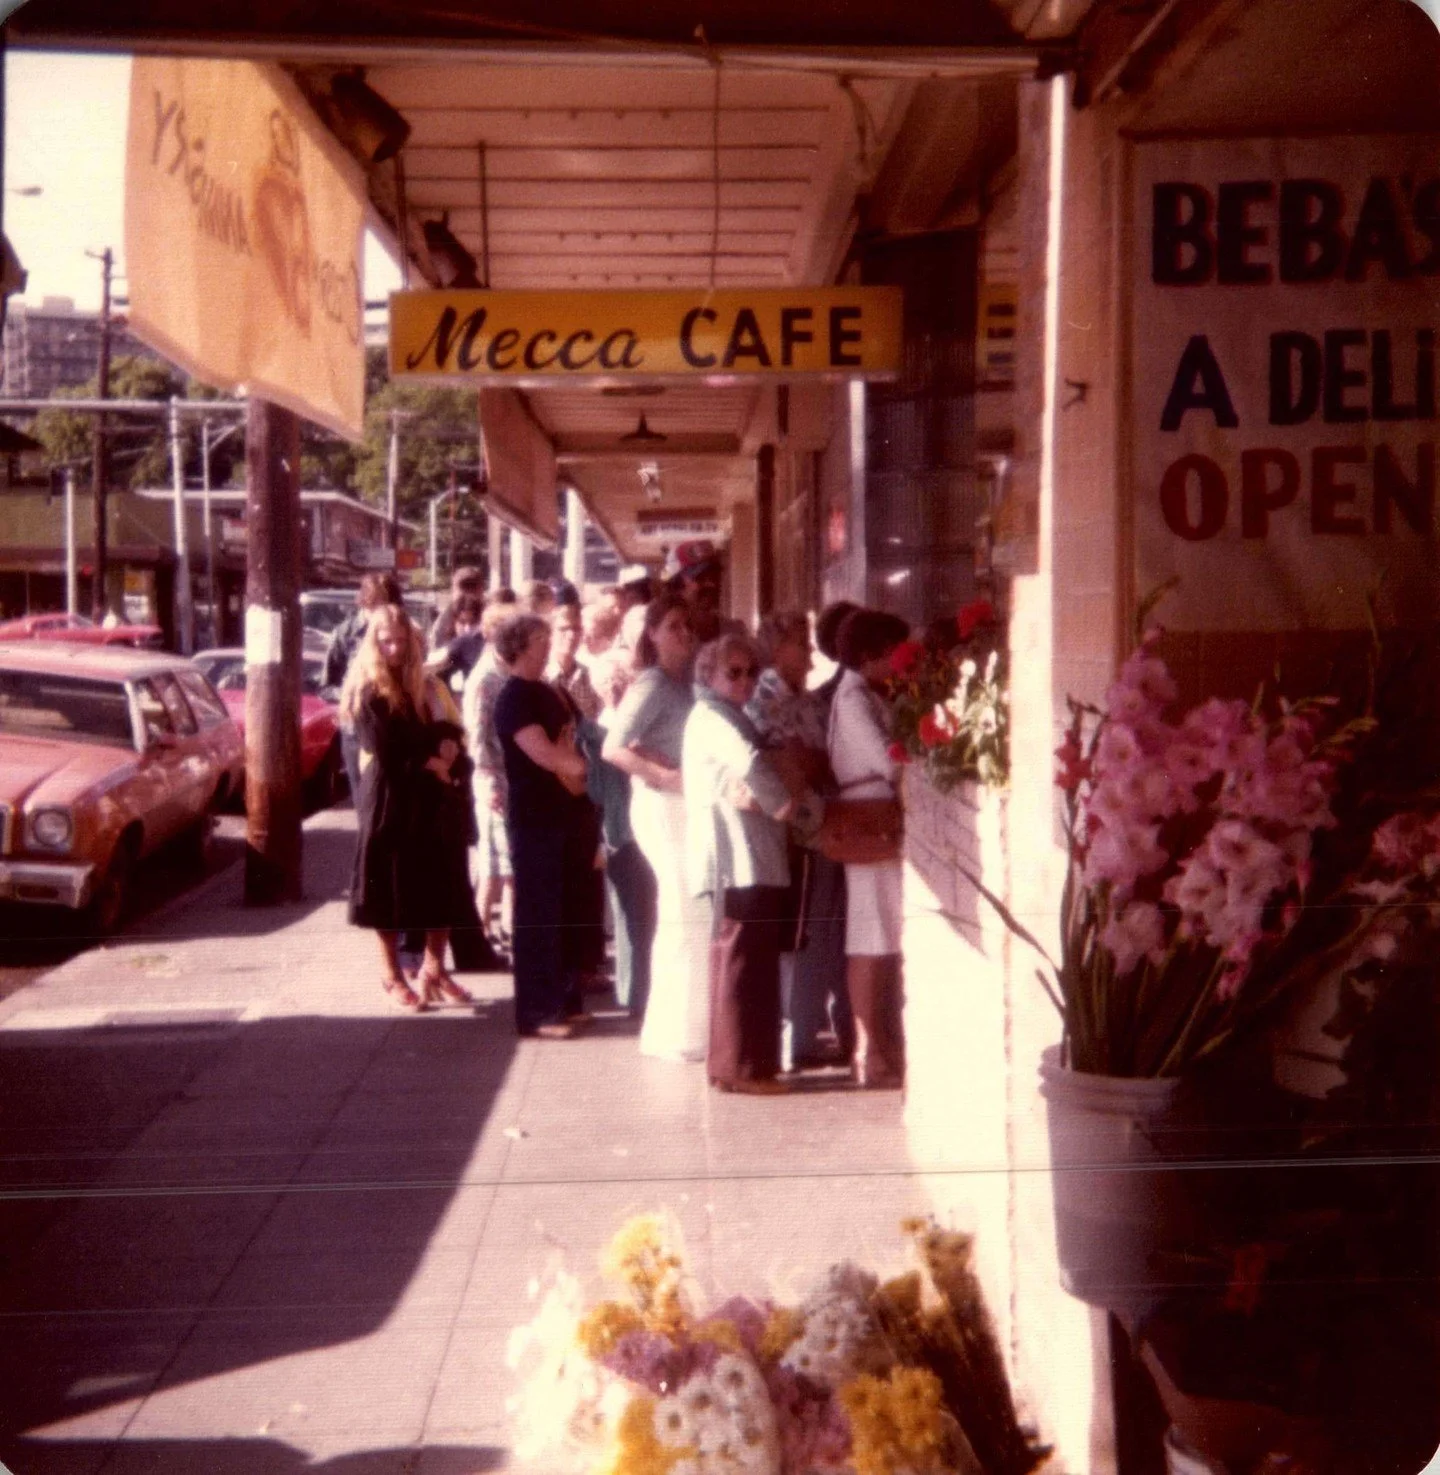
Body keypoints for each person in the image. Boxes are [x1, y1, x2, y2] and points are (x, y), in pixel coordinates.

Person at [685, 632, 821, 1095]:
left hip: (750, 856)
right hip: (737, 859)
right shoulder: (714, 718)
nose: (744, 681)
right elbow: (748, 765)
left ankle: (736, 1066)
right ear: (710, 676)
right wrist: (787, 806)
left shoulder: (727, 714)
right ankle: (744, 1068)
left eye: (750, 672)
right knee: (745, 962)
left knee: (743, 960)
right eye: (733, 672)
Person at [342, 603, 477, 1012]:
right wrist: (432, 760)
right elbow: (384, 747)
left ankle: (434, 967)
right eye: (386, 640)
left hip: (429, 797)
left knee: (444, 882)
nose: (395, 648)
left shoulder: (424, 683)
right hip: (390, 798)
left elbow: (445, 726)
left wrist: (448, 745)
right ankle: (392, 975)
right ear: (373, 643)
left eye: (402, 640)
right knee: (388, 891)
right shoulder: (367, 689)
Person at [601, 594, 708, 1062]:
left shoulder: (685, 683)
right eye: (674, 626)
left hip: (685, 806)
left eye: (689, 625)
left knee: (689, 915)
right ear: (653, 634)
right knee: (682, 913)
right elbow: (612, 747)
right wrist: (666, 776)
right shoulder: (652, 683)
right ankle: (676, 1034)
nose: (684, 633)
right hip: (663, 805)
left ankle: (685, 1026)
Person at [748, 611, 853, 1073]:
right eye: (800, 644)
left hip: (822, 824)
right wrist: (809, 761)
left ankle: (809, 1030)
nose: (810, 655)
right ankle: (796, 1035)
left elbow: (822, 758)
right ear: (776, 648)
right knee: (802, 931)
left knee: (823, 928)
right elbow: (790, 761)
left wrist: (813, 761)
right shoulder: (767, 693)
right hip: (797, 831)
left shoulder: (804, 700)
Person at [492, 613, 593, 1039]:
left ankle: (564, 1000)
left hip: (567, 817)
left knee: (567, 910)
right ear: (518, 646)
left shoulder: (552, 690)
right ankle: (537, 1011)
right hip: (535, 819)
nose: (547, 643)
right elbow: (548, 754)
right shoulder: (514, 697)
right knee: (538, 914)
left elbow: (577, 735)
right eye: (538, 637)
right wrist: (587, 769)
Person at [828, 608, 911, 1089]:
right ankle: (868, 1049)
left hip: (877, 822)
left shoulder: (866, 695)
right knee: (870, 941)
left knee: (881, 941)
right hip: (867, 823)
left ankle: (878, 1046)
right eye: (892, 654)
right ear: (870, 655)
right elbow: (886, 759)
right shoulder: (853, 698)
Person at [588, 647, 656, 1017]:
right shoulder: (614, 730)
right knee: (637, 915)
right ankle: (637, 994)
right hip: (627, 829)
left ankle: (633, 991)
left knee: (631, 913)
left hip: (617, 830)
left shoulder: (605, 725)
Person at [548, 602, 607, 987]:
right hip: (555, 790)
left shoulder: (588, 676)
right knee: (562, 881)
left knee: (589, 877)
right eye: (564, 628)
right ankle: (566, 965)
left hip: (588, 785)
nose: (572, 635)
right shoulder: (544, 680)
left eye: (576, 628)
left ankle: (588, 963)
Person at [463, 600, 519, 954]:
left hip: (506, 775)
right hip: (494, 776)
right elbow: (478, 733)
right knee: (496, 866)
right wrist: (486, 780)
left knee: (505, 865)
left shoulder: (502, 670)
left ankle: (502, 930)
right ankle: (480, 932)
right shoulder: (486, 677)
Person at [325, 572, 404, 801]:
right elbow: (327, 685)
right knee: (366, 802)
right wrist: (352, 697)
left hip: (397, 727)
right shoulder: (344, 634)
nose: (381, 617)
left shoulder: (403, 634)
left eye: (387, 607)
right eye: (375, 608)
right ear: (364, 604)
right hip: (358, 732)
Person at [663, 540, 740, 646]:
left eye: (715, 576)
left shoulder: (733, 631)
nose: (711, 584)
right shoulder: (667, 636)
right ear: (678, 584)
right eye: (700, 578)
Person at [428, 592, 485, 696]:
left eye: (473, 622)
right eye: (462, 622)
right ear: (453, 622)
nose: (468, 629)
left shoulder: (482, 643)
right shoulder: (451, 645)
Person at [429, 566, 485, 650]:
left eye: (472, 590)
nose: (467, 599)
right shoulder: (445, 619)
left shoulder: (491, 615)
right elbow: (435, 648)